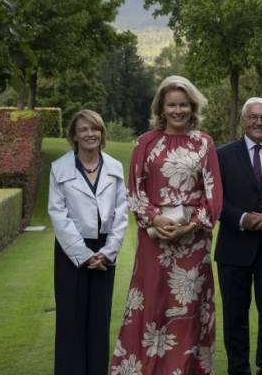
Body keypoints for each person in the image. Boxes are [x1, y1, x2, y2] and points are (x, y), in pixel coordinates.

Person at [110, 75, 223, 375]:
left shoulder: (204, 143)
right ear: (161, 107)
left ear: (192, 106)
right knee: (151, 304)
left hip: (193, 244)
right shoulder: (145, 142)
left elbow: (214, 196)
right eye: (171, 105)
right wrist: (155, 218)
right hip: (154, 239)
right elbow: (134, 191)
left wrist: (189, 225)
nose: (178, 111)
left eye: (183, 105)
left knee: (187, 310)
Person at [49, 109, 128, 375]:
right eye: (83, 129)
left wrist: (107, 252)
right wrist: (83, 255)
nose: (90, 134)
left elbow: (121, 214)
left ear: (102, 133)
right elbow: (58, 215)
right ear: (74, 135)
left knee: (99, 322)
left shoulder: (115, 168)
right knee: (71, 322)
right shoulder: (59, 167)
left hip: (105, 254)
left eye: (95, 129)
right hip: (71, 252)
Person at [215, 97, 262, 375]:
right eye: (253, 117)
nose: (259, 122)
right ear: (244, 121)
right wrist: (242, 218)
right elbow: (215, 199)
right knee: (234, 316)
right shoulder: (222, 155)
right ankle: (238, 368)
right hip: (234, 247)